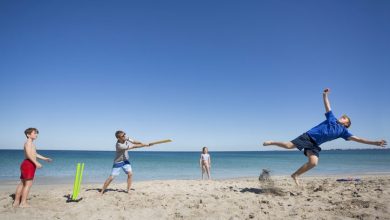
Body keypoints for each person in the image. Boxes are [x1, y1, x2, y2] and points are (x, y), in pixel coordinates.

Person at [263, 88, 387, 186]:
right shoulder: (331, 118)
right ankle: (272, 142)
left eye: (345, 118)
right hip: (308, 137)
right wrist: (325, 95)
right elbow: (327, 106)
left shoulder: (343, 132)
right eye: (343, 116)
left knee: (313, 163)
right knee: (289, 146)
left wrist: (375, 143)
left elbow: (359, 139)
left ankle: (295, 175)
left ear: (346, 124)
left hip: (315, 145)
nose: (342, 117)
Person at [100, 130, 152, 195]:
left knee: (130, 174)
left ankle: (128, 190)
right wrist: (145, 145)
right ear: (118, 138)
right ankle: (102, 191)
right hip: (118, 162)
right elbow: (133, 146)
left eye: (124, 134)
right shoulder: (119, 145)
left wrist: (143, 143)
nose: (124, 136)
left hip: (125, 161)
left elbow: (134, 142)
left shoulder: (126, 138)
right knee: (112, 177)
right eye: (123, 135)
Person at [13, 128, 52, 208]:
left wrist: (45, 159)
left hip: (26, 164)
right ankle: (23, 203)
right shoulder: (28, 143)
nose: (36, 135)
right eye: (34, 133)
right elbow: (28, 154)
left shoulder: (31, 144)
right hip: (29, 164)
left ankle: (16, 202)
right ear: (28, 135)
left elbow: (35, 154)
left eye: (36, 133)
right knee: (28, 184)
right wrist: (36, 162)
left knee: (22, 183)